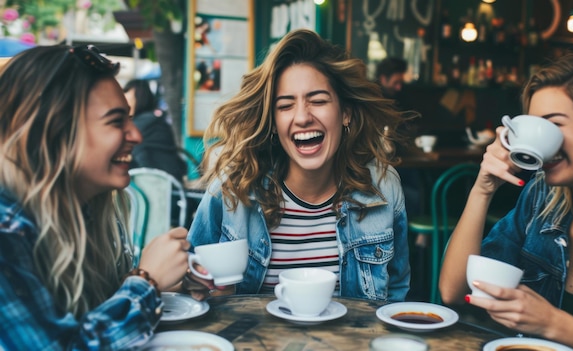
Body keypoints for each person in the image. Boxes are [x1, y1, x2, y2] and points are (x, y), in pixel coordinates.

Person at [185, 29, 412, 302]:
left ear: (346, 113)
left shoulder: (383, 188)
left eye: (317, 101)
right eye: (285, 105)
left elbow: (395, 295)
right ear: (272, 122)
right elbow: (191, 285)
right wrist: (208, 292)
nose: (302, 117)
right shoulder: (233, 188)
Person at [0, 45, 190, 350]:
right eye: (116, 121)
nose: (137, 135)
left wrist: (162, 281)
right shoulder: (5, 231)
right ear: (54, 133)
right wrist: (146, 282)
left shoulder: (83, 212)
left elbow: (87, 318)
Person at [439, 54, 573, 350]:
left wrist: (554, 324)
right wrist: (483, 188)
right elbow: (453, 291)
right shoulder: (542, 198)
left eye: (554, 125)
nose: (543, 144)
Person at [123, 79, 187, 183]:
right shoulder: (155, 121)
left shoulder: (140, 125)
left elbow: (142, 162)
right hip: (170, 183)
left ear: (139, 100)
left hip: (156, 188)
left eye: (128, 102)